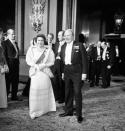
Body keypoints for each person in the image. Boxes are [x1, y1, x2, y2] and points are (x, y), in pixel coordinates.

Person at [59, 29, 88, 123]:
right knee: (67, 92)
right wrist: (63, 72)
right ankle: (69, 111)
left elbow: (84, 60)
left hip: (77, 72)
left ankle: (79, 115)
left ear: (72, 36)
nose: (66, 37)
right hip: (67, 71)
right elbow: (63, 61)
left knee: (77, 93)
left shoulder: (79, 45)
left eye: (68, 35)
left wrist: (84, 73)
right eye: (65, 35)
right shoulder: (63, 46)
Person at [26, 34, 56, 119]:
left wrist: (44, 65)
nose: (40, 42)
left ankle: (45, 108)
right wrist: (35, 66)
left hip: (44, 73)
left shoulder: (48, 50)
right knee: (35, 91)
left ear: (44, 41)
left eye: (42, 40)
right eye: (38, 40)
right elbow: (28, 60)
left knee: (45, 90)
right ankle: (34, 111)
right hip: (35, 73)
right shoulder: (31, 49)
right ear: (36, 41)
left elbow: (52, 61)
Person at [2, 29, 21, 101]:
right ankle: (5, 98)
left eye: (14, 34)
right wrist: (6, 65)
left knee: (15, 81)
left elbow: (17, 54)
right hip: (9, 65)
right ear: (8, 35)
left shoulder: (15, 43)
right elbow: (4, 55)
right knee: (8, 81)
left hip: (16, 64)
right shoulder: (4, 43)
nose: (14, 35)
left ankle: (14, 96)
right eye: (12, 34)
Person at [53, 30, 65, 103]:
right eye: (58, 35)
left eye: (59, 35)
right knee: (55, 81)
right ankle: (57, 96)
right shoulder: (56, 44)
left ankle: (62, 97)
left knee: (62, 82)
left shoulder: (66, 44)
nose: (58, 37)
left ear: (63, 36)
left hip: (62, 65)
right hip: (56, 64)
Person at [0, 28, 9, 108]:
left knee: (2, 85)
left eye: (2, 34)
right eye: (1, 34)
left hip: (2, 67)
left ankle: (2, 103)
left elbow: (3, 56)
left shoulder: (1, 44)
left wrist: (5, 65)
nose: (2, 36)